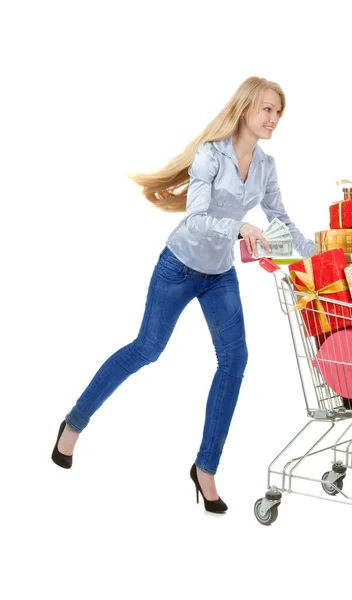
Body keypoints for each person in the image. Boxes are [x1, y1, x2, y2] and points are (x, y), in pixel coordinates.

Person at [51, 76, 315, 513]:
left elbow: (280, 219)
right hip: (178, 266)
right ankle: (73, 424)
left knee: (236, 360)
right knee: (147, 349)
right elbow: (195, 219)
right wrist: (240, 228)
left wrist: (316, 253)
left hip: (220, 275)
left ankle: (205, 468)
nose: (274, 119)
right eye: (268, 109)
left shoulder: (266, 166)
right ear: (246, 109)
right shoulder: (211, 154)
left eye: (278, 112)